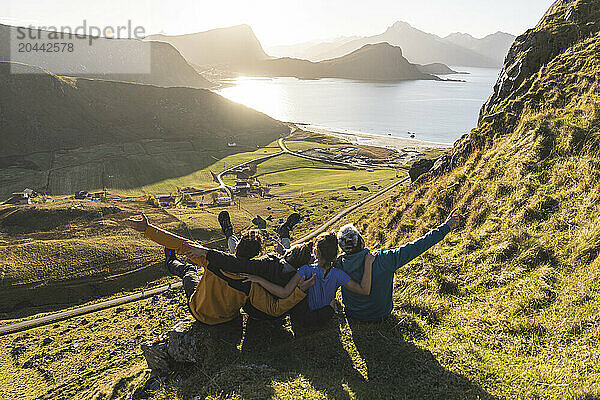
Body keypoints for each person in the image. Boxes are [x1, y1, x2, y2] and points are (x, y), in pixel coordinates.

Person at [125, 214, 313, 325]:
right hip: (226, 319)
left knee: (189, 272)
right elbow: (274, 309)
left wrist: (148, 229)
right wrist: (299, 292)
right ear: (255, 255)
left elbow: (180, 243)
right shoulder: (252, 282)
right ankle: (173, 259)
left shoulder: (211, 260)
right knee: (190, 269)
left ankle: (169, 262)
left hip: (199, 312)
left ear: (237, 248)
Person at [335, 209, 461, 322]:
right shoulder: (383, 259)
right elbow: (418, 246)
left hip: (353, 315)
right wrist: (446, 227)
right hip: (379, 315)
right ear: (362, 241)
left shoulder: (338, 265)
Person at [240, 232, 376, 326]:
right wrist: (368, 264)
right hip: (326, 316)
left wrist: (259, 279)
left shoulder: (305, 270)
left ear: (317, 252)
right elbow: (364, 290)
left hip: (302, 318)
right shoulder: (338, 274)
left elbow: (284, 292)